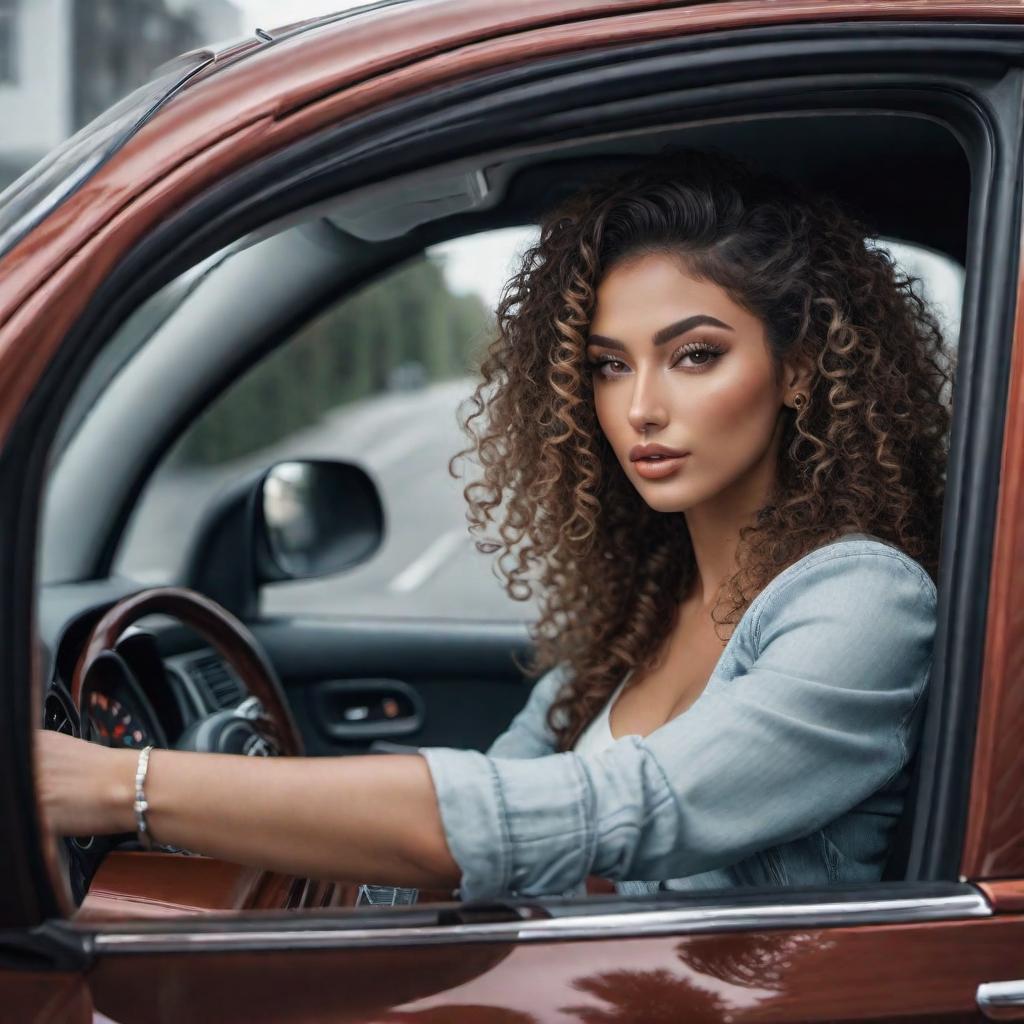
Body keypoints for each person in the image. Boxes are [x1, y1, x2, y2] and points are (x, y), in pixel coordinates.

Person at [34, 148, 952, 903]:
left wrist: (128, 785)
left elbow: (595, 811)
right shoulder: (645, 611)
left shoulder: (864, 600)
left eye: (695, 356)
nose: (640, 408)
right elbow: (489, 813)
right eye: (607, 366)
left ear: (799, 370)